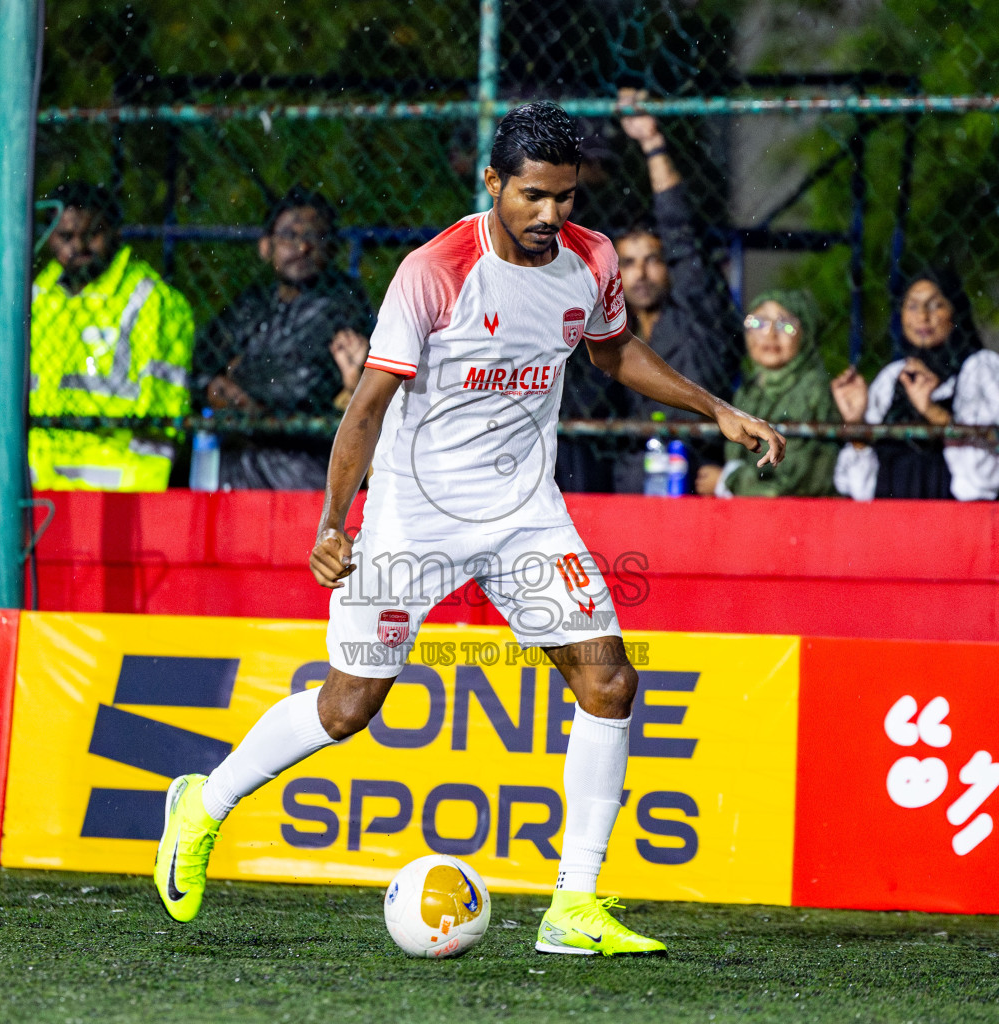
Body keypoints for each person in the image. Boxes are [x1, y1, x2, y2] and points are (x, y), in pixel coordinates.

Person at [151, 102, 785, 957]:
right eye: (531, 196)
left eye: (563, 197)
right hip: (411, 518)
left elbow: (613, 352)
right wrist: (334, 522)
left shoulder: (590, 258)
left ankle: (575, 906)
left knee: (609, 684)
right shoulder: (434, 270)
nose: (550, 216)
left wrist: (718, 409)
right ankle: (202, 804)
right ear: (493, 183)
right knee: (349, 707)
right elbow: (368, 406)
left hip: (525, 514)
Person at [602, 87, 740, 493]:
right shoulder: (612, 330)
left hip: (695, 475)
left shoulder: (697, 318)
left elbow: (680, 235)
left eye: (652, 260)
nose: (640, 273)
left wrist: (651, 143)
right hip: (633, 482)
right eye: (628, 263)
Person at [193, 186, 374, 490]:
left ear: (330, 248)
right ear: (266, 247)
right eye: (290, 235)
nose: (302, 247)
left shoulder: (341, 302)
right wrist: (216, 387)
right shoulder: (251, 304)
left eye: (314, 237)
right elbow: (202, 367)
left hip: (305, 469)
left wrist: (241, 381)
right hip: (240, 469)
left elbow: (312, 384)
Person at [29, 182, 194, 492]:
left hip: (121, 491)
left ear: (116, 232)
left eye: (93, 233)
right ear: (48, 237)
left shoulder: (149, 300)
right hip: (41, 485)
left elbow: (159, 418)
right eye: (66, 236)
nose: (78, 247)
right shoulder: (38, 296)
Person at [830, 270, 999, 501]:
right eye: (913, 306)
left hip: (953, 520)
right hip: (892, 520)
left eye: (935, 305)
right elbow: (858, 488)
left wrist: (931, 410)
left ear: (955, 311)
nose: (923, 317)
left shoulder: (981, 369)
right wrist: (856, 424)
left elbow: (980, 482)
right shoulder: (893, 376)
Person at [696, 289, 838, 498]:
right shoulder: (749, 390)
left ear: (805, 333)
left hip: (801, 517)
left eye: (785, 325)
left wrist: (728, 481)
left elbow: (798, 482)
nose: (770, 334)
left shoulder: (813, 390)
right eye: (758, 323)